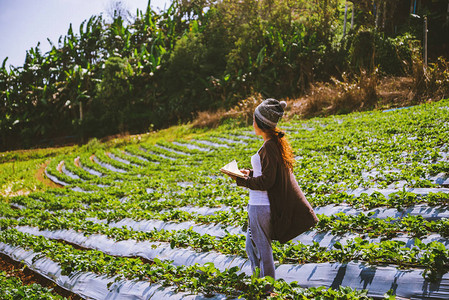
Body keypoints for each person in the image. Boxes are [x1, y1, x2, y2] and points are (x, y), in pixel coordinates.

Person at [226, 98, 318, 281]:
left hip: (260, 207)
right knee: (252, 247)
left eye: (253, 120)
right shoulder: (272, 143)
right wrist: (250, 173)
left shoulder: (269, 146)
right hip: (259, 206)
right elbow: (269, 173)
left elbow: (267, 181)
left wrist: (241, 179)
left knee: (262, 250)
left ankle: (266, 288)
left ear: (260, 123)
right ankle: (259, 282)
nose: (252, 123)